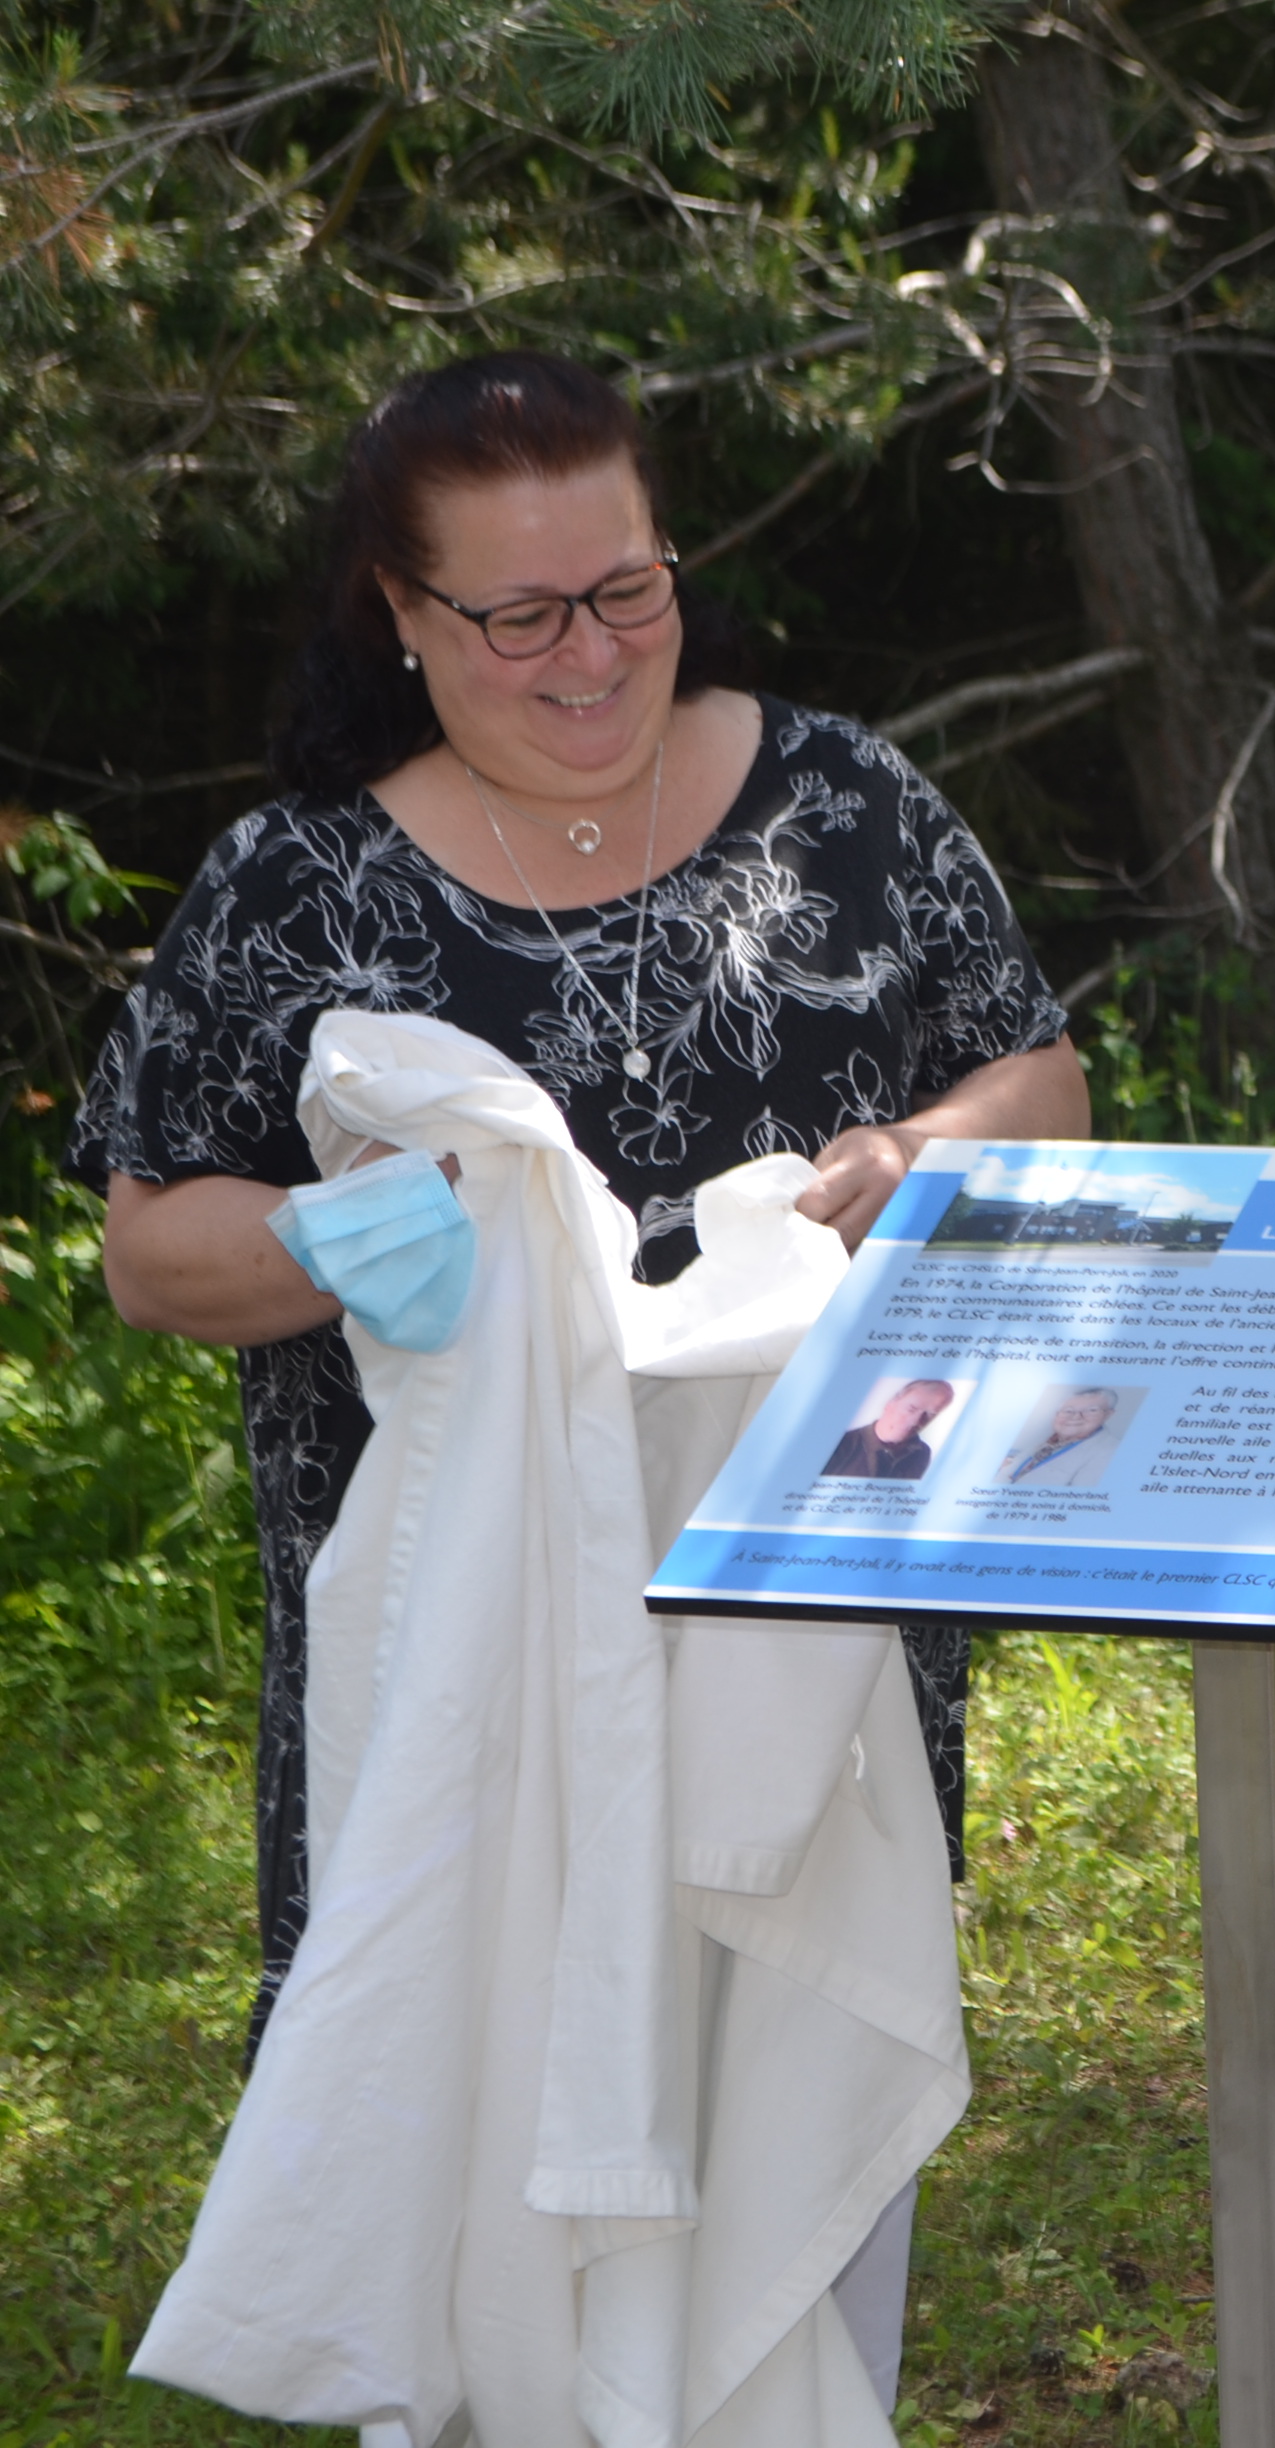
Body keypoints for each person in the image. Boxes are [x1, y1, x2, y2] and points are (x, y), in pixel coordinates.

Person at [73, 351, 1090, 2049]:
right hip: (455, 1676)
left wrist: (926, 1151)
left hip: (813, 1631)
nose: (594, 652)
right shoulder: (296, 887)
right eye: (522, 616)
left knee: (792, 2088)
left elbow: (1041, 1080)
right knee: (450, 2111)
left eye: (627, 589)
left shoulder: (846, 805)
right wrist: (336, 1238)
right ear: (403, 613)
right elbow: (148, 1254)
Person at [823, 1376, 958, 1479]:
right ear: (890, 1404)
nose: (916, 1421)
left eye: (930, 1414)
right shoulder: (838, 1445)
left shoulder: (922, 1453)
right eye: (911, 1409)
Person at [997, 1385, 1127, 1487]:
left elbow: (1081, 1502)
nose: (1075, 1417)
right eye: (1068, 1410)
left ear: (1108, 1414)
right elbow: (1010, 1472)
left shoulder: (1110, 1453)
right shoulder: (1051, 1441)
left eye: (1091, 1410)